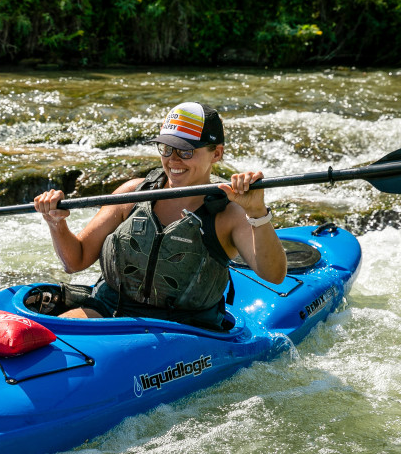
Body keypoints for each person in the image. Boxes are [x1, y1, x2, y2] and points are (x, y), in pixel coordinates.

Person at [33, 101, 287, 329]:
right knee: (49, 340)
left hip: (184, 329)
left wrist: (257, 213)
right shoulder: (132, 193)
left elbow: (274, 275)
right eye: (166, 149)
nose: (173, 160)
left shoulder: (230, 211)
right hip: (111, 310)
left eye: (185, 151)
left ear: (216, 153)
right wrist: (56, 223)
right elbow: (74, 261)